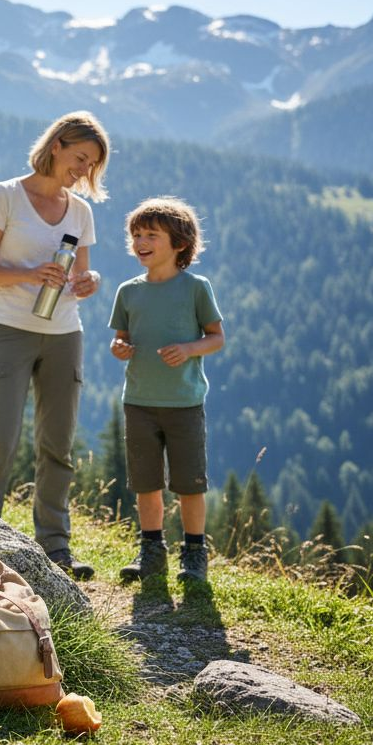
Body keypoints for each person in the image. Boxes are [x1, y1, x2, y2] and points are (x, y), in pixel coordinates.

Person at [0, 111, 110, 580]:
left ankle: (55, 547)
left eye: (92, 166)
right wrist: (29, 274)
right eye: (81, 158)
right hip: (8, 328)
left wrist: (89, 282)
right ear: (57, 144)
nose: (84, 171)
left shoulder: (80, 211)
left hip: (65, 333)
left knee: (57, 444)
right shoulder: (6, 195)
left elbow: (81, 274)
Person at [110, 197, 224, 583]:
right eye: (136, 235)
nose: (141, 242)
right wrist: (119, 349)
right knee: (146, 482)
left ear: (179, 244)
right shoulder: (128, 291)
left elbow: (216, 338)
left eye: (151, 235)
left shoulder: (196, 288)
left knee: (190, 484)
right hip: (139, 401)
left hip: (184, 403)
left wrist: (189, 349)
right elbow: (121, 340)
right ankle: (151, 551)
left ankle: (194, 554)